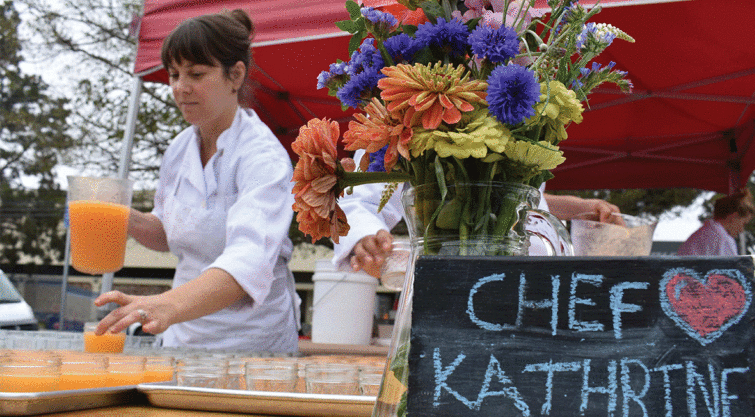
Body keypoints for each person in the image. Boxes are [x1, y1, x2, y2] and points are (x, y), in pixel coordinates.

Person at [92, 9, 299, 352]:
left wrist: (166, 304)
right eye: (174, 74)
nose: (180, 88)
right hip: (182, 337)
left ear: (235, 76)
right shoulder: (179, 149)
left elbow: (248, 261)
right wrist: (121, 216)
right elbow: (170, 232)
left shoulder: (263, 156)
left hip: (253, 347)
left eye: (196, 74)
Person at [332, 176, 620, 278]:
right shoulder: (410, 100)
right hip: (452, 281)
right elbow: (361, 199)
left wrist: (581, 208)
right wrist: (364, 235)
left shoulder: (534, 107)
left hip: (531, 281)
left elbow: (521, 200)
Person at [677, 188, 755, 256]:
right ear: (734, 216)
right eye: (743, 223)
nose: (741, 230)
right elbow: (732, 272)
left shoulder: (702, 234)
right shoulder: (724, 241)